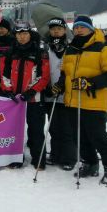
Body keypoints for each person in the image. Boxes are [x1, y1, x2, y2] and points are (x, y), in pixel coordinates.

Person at [54, 15, 107, 186]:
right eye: (76, 27)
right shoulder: (70, 49)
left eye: (82, 27)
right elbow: (65, 73)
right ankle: (90, 163)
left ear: (90, 29)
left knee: (98, 137)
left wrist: (89, 83)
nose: (78, 30)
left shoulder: (103, 48)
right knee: (79, 137)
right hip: (72, 101)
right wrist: (60, 85)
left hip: (94, 102)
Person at [0, 23, 50, 169]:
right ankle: (15, 158)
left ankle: (38, 160)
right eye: (19, 34)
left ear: (30, 34)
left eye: (25, 34)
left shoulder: (40, 52)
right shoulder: (9, 52)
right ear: (15, 35)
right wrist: (8, 90)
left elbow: (44, 76)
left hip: (34, 98)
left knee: (36, 130)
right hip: (15, 100)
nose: (22, 37)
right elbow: (4, 73)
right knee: (14, 130)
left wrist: (32, 91)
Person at [43, 17, 75, 171]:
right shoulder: (46, 47)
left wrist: (63, 84)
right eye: (53, 29)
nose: (56, 32)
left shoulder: (71, 47)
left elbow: (73, 69)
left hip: (67, 93)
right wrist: (47, 88)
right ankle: (55, 154)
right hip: (50, 93)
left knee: (67, 128)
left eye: (59, 29)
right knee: (53, 127)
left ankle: (69, 157)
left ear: (64, 30)